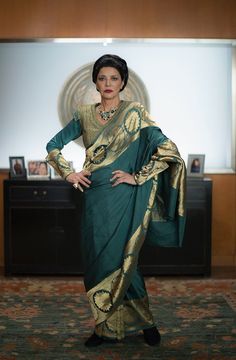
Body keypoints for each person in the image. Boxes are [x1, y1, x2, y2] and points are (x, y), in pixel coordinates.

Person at [46, 54, 186, 347]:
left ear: (123, 82)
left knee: (125, 260)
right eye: (102, 78)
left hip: (124, 198)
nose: (108, 83)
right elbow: (53, 145)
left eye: (114, 78)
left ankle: (146, 323)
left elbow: (166, 148)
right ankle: (103, 327)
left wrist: (138, 176)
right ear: (95, 82)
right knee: (99, 261)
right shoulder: (83, 114)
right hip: (95, 199)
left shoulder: (135, 113)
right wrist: (69, 173)